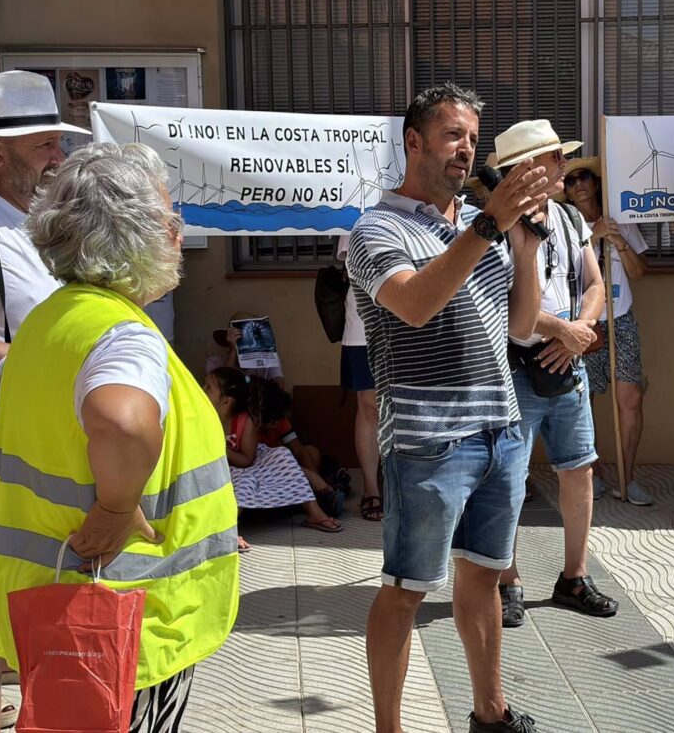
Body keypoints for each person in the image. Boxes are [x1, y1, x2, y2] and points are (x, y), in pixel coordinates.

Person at [0, 142, 239, 732]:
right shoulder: (123, 336)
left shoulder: (49, 321)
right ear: (146, 235)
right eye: (170, 217)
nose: (178, 230)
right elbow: (121, 421)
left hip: (48, 608)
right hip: (119, 621)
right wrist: (117, 509)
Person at [346, 83, 549, 733]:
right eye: (453, 135)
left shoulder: (472, 226)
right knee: (405, 590)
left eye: (472, 138)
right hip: (428, 440)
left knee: (485, 578)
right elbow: (414, 304)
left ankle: (491, 713)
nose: (467, 150)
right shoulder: (377, 228)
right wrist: (490, 225)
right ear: (414, 141)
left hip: (499, 430)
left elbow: (519, 326)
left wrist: (527, 244)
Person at [0, 69, 89, 733]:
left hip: (11, 456)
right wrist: (25, 365)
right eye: (45, 144)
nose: (58, 157)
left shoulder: (20, 221)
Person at [492, 122, 616, 630]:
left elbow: (594, 283)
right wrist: (563, 331)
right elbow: (500, 305)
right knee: (507, 481)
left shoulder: (567, 218)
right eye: (555, 158)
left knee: (578, 469)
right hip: (517, 365)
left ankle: (574, 576)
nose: (565, 166)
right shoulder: (494, 224)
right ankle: (507, 581)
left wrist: (577, 332)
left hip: (568, 365)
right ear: (525, 168)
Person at [565, 156, 653, 506]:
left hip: (621, 318)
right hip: (585, 320)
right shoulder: (566, 226)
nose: (578, 185)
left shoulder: (621, 221)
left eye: (584, 176)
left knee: (630, 398)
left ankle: (628, 476)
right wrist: (590, 238)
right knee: (582, 399)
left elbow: (640, 272)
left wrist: (619, 242)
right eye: (570, 181)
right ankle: (595, 470)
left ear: (596, 181)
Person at [204, 367, 342, 548]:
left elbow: (247, 459)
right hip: (220, 469)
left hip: (243, 463)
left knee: (282, 456)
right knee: (245, 480)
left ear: (226, 402)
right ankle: (227, 530)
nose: (201, 389)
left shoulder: (245, 421)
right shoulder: (202, 417)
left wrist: (223, 449)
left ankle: (314, 512)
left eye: (208, 388)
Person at [336, 235, 383, 521]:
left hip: (415, 317)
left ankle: (407, 485)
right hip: (364, 321)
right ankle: (371, 487)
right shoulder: (357, 198)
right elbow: (354, 259)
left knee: (410, 403)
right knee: (368, 405)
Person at [210, 311, 285, 389]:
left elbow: (279, 385)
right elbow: (224, 388)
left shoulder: (269, 359)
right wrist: (233, 352)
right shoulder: (214, 362)